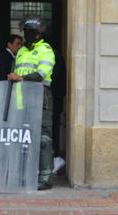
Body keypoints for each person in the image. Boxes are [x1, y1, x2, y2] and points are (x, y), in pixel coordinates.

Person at [7, 16, 56, 190]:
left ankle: (45, 178)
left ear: (39, 34)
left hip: (41, 99)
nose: (27, 35)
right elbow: (15, 72)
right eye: (26, 32)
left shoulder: (46, 50)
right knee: (23, 138)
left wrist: (20, 77)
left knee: (43, 139)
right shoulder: (21, 51)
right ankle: (25, 175)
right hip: (22, 101)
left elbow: (42, 74)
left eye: (31, 32)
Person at [50, 46, 66, 174]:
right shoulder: (57, 57)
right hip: (55, 99)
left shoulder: (55, 58)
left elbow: (53, 81)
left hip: (53, 100)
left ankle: (55, 157)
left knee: (52, 128)